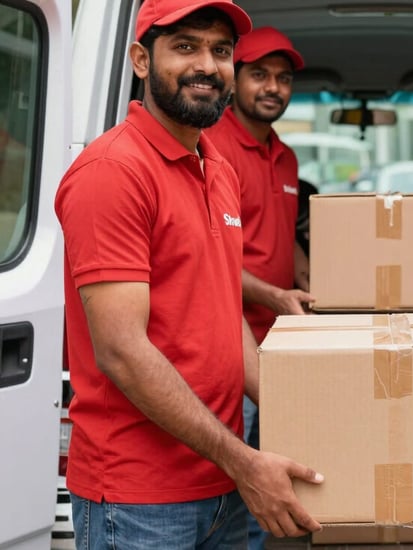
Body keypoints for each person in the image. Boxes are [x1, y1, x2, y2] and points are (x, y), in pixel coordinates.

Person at [54, 2, 323, 548]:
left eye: (220, 51)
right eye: (185, 47)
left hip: (220, 484)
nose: (207, 64)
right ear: (140, 60)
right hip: (139, 499)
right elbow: (122, 350)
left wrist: (298, 409)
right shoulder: (113, 172)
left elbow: (226, 320)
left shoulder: (215, 170)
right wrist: (244, 460)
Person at [206, 26, 313, 550]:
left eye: (283, 78)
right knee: (239, 477)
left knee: (280, 467)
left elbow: (278, 227)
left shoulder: (286, 156)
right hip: (231, 343)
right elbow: (215, 258)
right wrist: (273, 295)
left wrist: (306, 273)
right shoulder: (212, 149)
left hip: (284, 341)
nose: (272, 87)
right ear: (233, 78)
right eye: (259, 75)